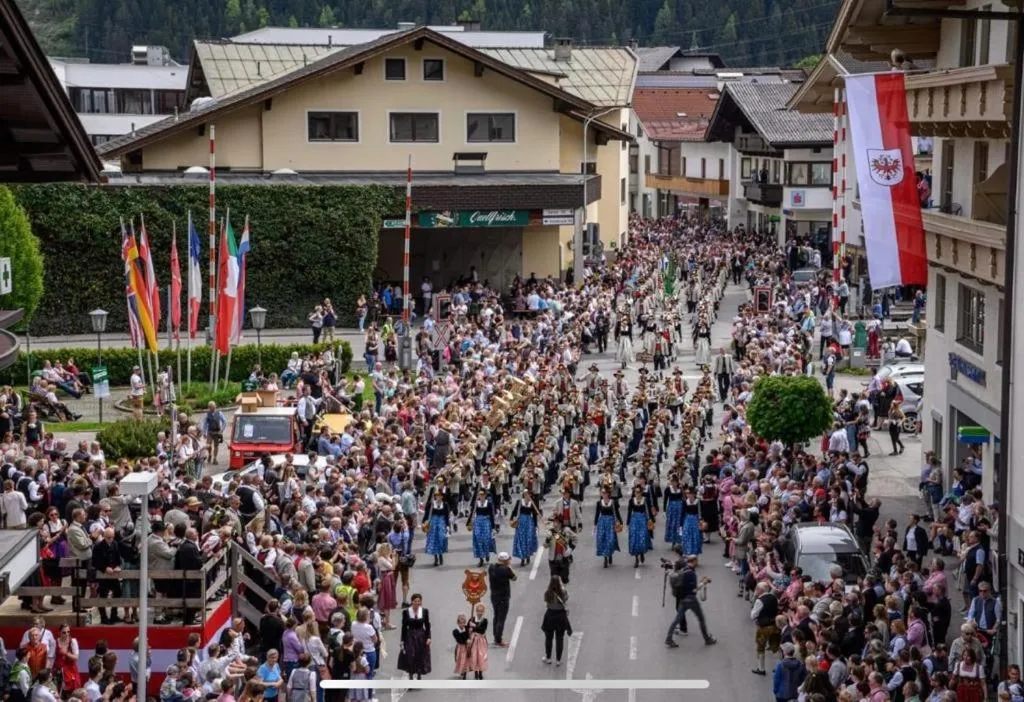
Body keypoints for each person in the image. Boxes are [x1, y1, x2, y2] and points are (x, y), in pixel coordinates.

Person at [665, 555, 717, 647]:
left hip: (682, 599)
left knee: (676, 620)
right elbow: (694, 589)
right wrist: (703, 583)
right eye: (697, 561)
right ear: (693, 561)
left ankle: (668, 638)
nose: (698, 563)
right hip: (691, 599)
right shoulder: (691, 573)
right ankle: (707, 639)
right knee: (701, 619)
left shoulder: (684, 570)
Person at [541, 576, 572, 666]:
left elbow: (546, 602)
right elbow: (566, 599)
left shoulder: (548, 593)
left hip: (550, 616)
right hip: (560, 617)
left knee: (548, 638)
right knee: (560, 638)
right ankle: (558, 660)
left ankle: (548, 658)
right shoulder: (563, 592)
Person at [398, 594, 431, 680]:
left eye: (419, 601)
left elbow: (427, 625)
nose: (417, 603)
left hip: (421, 636)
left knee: (420, 655)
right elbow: (404, 627)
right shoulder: (406, 612)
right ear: (412, 601)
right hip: (410, 636)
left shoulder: (424, 611)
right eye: (415, 601)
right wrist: (402, 640)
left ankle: (419, 673)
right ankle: (411, 675)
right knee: (410, 655)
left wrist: (429, 637)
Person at [487, 552, 516, 647]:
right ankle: (498, 639)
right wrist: (509, 567)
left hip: (494, 596)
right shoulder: (506, 569)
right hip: (503, 597)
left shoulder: (491, 567)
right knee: (501, 619)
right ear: (505, 560)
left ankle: (496, 636)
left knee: (496, 616)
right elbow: (514, 578)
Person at [594, 488, 623, 568]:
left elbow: (617, 513)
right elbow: (597, 514)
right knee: (602, 540)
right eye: (603, 493)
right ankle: (605, 558)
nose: (604, 495)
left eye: (605, 493)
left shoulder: (613, 502)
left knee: (610, 540)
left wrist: (620, 522)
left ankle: (609, 554)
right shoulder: (599, 503)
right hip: (602, 523)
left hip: (610, 523)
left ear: (608, 494)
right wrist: (595, 525)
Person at [465, 602, 489, 680]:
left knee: (481, 656)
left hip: (481, 641)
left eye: (481, 611)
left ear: (483, 611)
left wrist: (474, 626)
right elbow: (467, 628)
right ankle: (476, 672)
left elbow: (482, 630)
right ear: (476, 611)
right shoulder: (472, 619)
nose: (479, 613)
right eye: (478, 611)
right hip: (474, 640)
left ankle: (480, 672)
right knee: (474, 656)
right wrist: (469, 629)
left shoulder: (484, 620)